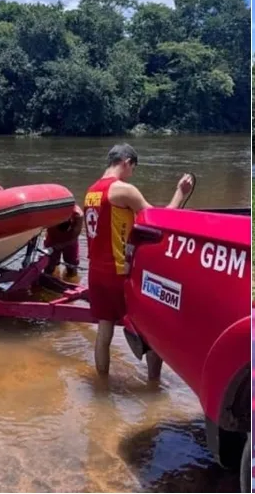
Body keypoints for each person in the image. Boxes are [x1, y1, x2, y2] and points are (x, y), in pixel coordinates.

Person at [84, 143, 193, 379]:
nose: (132, 173)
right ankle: (154, 386)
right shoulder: (123, 190)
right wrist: (180, 193)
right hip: (120, 272)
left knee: (104, 332)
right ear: (126, 162)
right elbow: (157, 221)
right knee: (152, 326)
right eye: (133, 168)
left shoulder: (91, 191)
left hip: (96, 271)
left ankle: (102, 386)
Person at [44, 206, 84, 280]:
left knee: (72, 267)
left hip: (70, 239)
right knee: (49, 266)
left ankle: (71, 281)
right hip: (53, 238)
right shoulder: (49, 213)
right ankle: (49, 279)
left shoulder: (78, 215)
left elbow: (75, 236)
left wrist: (59, 246)